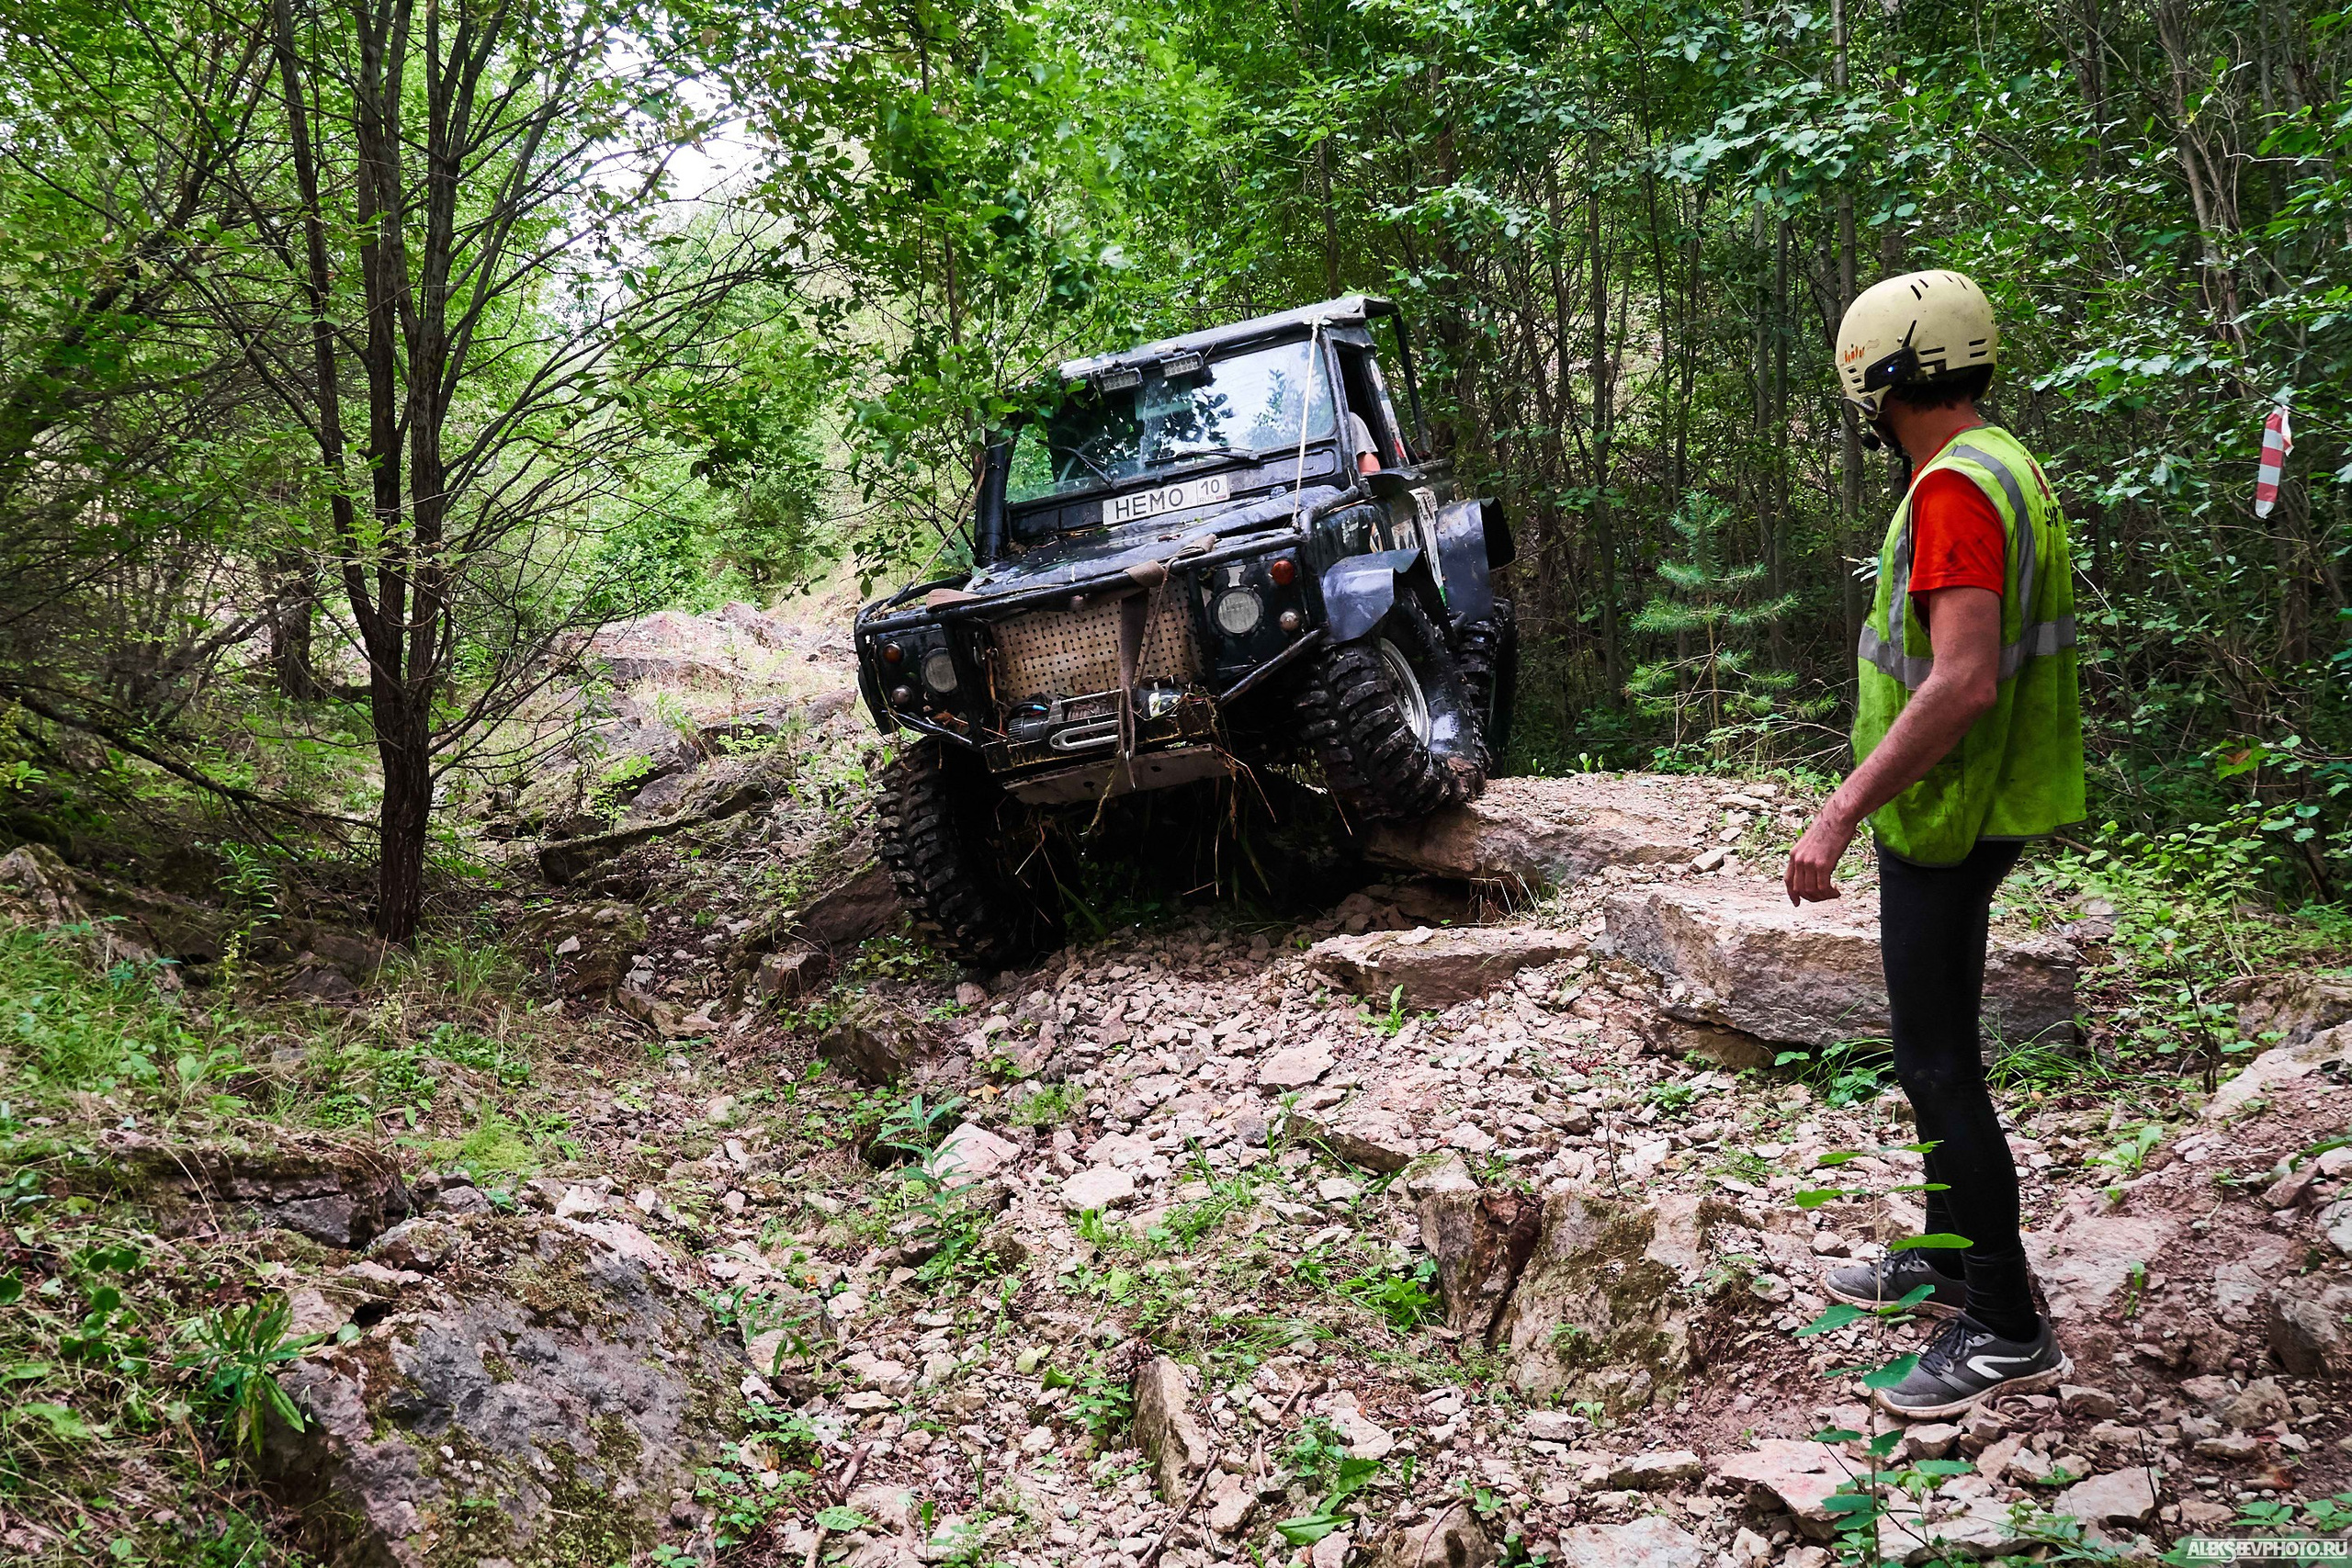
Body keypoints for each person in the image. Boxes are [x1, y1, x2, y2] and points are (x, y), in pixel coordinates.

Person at [1784, 268, 2086, 1417]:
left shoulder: (1956, 491)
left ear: (1888, 379)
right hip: (1978, 802)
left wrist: (1840, 808)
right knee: (1938, 1049)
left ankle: (2005, 1324)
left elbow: (1958, 679)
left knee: (1935, 1063)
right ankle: (1953, 1252)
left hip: (1944, 813)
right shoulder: (2002, 460)